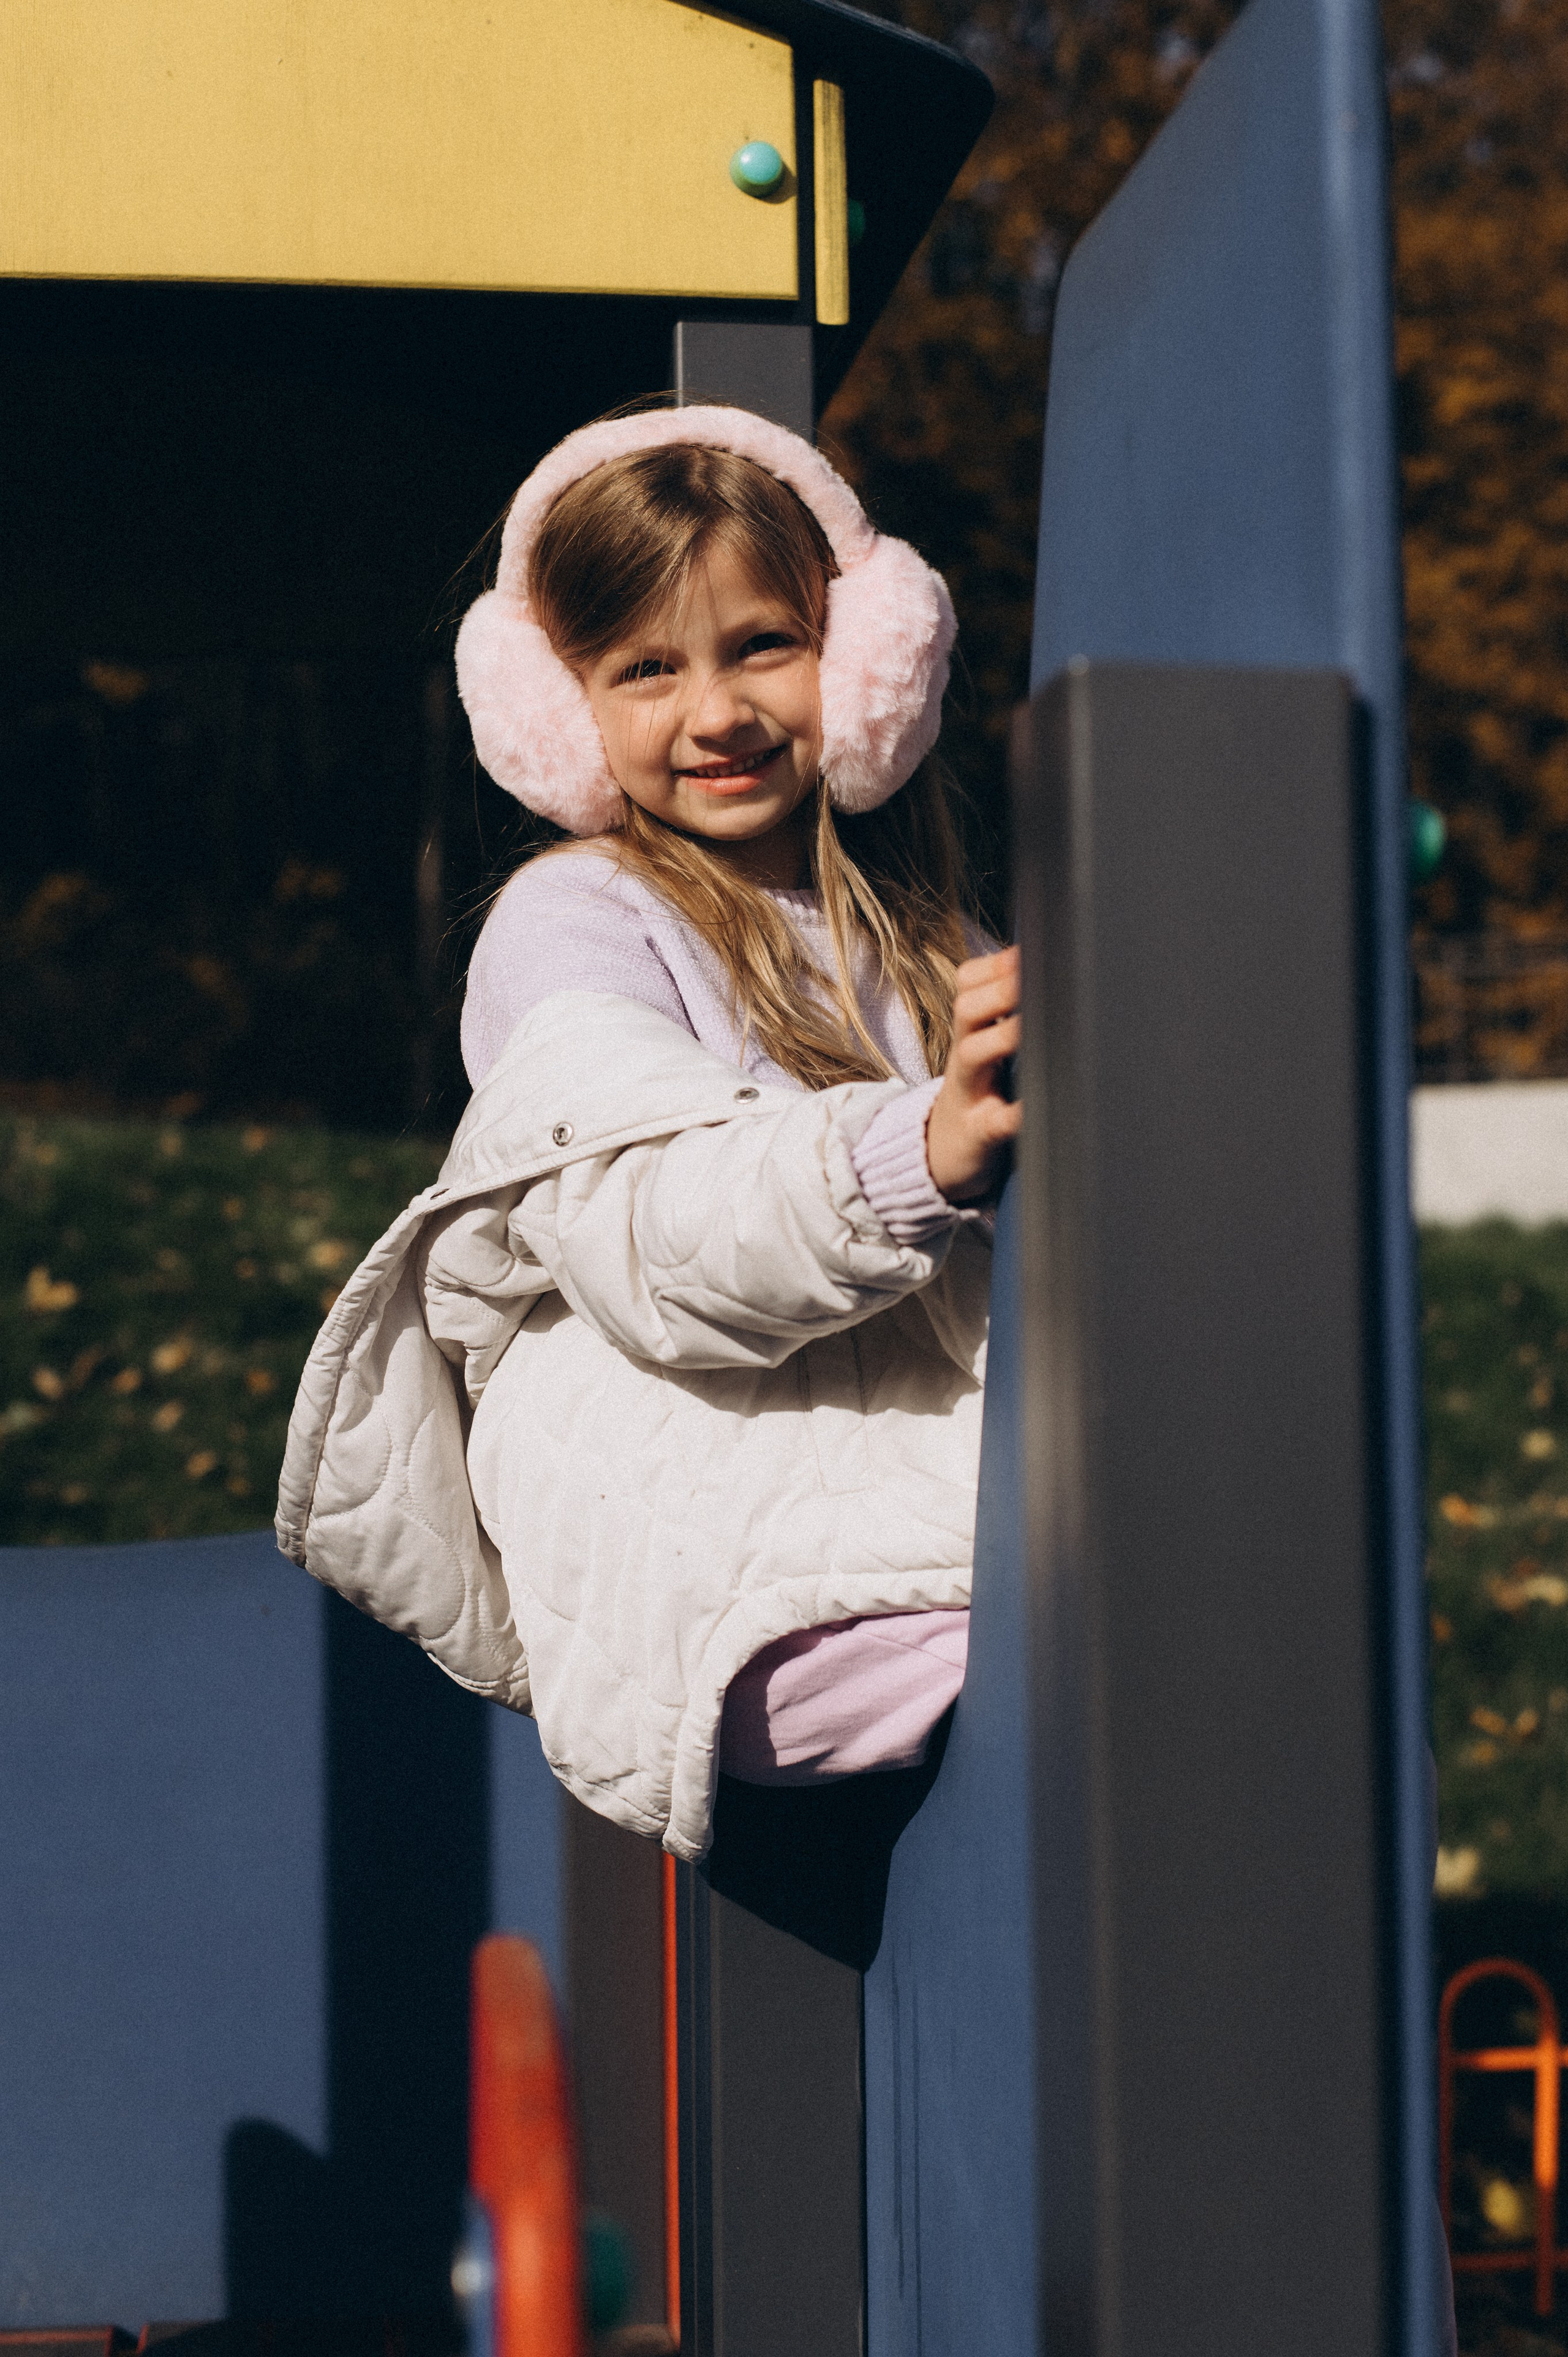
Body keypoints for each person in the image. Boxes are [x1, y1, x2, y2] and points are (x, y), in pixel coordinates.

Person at [277, 405, 1019, 1860]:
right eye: (646, 671)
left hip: (901, 1519)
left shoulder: (926, 937)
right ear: (562, 714)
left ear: (865, 662)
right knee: (1156, 1648)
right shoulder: (573, 924)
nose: (717, 712)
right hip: (737, 1568)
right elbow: (648, 1213)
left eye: (761, 645)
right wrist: (921, 1152)